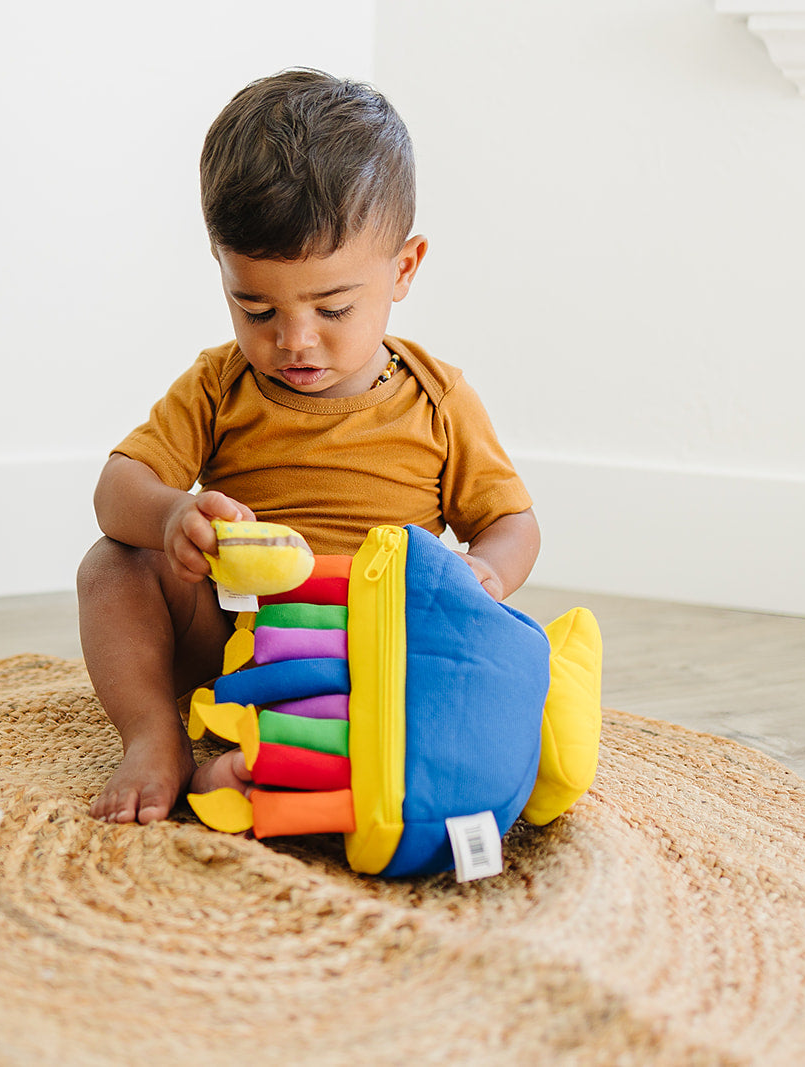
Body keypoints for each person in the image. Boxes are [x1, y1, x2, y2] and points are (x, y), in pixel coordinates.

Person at [78, 68, 540, 825]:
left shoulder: (437, 398)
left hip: (375, 650)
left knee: (492, 667)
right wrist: (172, 516)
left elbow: (513, 523)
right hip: (234, 635)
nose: (294, 340)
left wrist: (485, 573)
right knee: (110, 562)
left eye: (332, 308)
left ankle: (300, 759)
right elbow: (116, 486)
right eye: (254, 306)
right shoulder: (221, 385)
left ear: (403, 269)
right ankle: (156, 735)